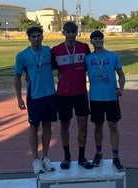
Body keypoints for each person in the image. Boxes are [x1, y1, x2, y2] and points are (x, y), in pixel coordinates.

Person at [14, 26, 57, 174]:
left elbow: (56, 66)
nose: (37, 38)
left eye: (39, 35)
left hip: (50, 94)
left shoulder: (48, 51)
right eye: (33, 36)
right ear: (29, 38)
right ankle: (35, 160)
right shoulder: (22, 55)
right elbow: (17, 77)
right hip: (35, 96)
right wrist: (19, 98)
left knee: (48, 126)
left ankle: (46, 157)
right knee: (34, 127)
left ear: (43, 37)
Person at [51, 21, 93, 170]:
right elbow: (47, 68)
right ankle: (66, 157)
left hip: (80, 92)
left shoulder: (84, 47)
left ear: (77, 33)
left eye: (73, 32)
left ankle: (82, 157)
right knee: (64, 125)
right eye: (67, 32)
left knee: (83, 125)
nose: (70, 35)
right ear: (63, 33)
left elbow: (91, 65)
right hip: (63, 94)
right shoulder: (55, 50)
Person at [84, 30, 125, 172]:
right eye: (95, 39)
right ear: (91, 41)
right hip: (95, 98)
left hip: (111, 97)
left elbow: (121, 74)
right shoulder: (88, 58)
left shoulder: (113, 56)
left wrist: (121, 89)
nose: (98, 41)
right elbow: (76, 72)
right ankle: (98, 153)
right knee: (98, 126)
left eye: (100, 38)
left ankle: (115, 157)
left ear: (103, 40)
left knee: (113, 126)